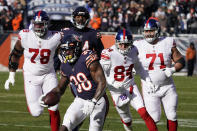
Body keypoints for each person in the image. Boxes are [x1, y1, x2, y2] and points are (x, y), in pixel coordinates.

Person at [4, 11, 62, 131]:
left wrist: (64, 68)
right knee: (36, 112)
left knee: (54, 107)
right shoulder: (25, 36)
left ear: (46, 24)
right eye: (36, 24)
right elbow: (15, 54)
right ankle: (39, 94)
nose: (38, 27)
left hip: (48, 74)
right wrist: (11, 75)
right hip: (31, 76)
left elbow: (62, 55)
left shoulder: (55, 37)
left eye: (41, 24)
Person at [41, 34, 107, 131]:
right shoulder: (65, 65)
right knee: (64, 127)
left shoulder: (87, 57)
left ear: (77, 48)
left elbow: (102, 82)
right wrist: (48, 96)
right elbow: (60, 88)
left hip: (97, 101)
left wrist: (93, 101)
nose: (67, 53)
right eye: (64, 50)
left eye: (69, 49)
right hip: (80, 100)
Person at [100, 29, 158, 131]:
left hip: (130, 87)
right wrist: (111, 83)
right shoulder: (108, 53)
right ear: (117, 42)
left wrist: (147, 80)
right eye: (121, 44)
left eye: (126, 44)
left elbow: (139, 67)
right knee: (127, 119)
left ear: (130, 43)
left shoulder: (134, 50)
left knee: (144, 112)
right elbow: (100, 73)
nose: (123, 47)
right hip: (116, 92)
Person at [133, 17, 185, 131]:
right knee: (154, 118)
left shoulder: (167, 42)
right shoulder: (138, 45)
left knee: (172, 114)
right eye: (146, 31)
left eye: (151, 30)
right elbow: (128, 60)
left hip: (167, 86)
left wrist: (173, 69)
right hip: (149, 88)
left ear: (157, 30)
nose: (148, 34)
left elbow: (181, 60)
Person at [54, 6, 104, 72]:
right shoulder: (65, 32)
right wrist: (56, 67)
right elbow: (56, 51)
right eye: (78, 17)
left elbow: (100, 53)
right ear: (74, 18)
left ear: (87, 19)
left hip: (86, 68)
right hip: (69, 66)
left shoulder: (93, 33)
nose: (80, 19)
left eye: (83, 17)